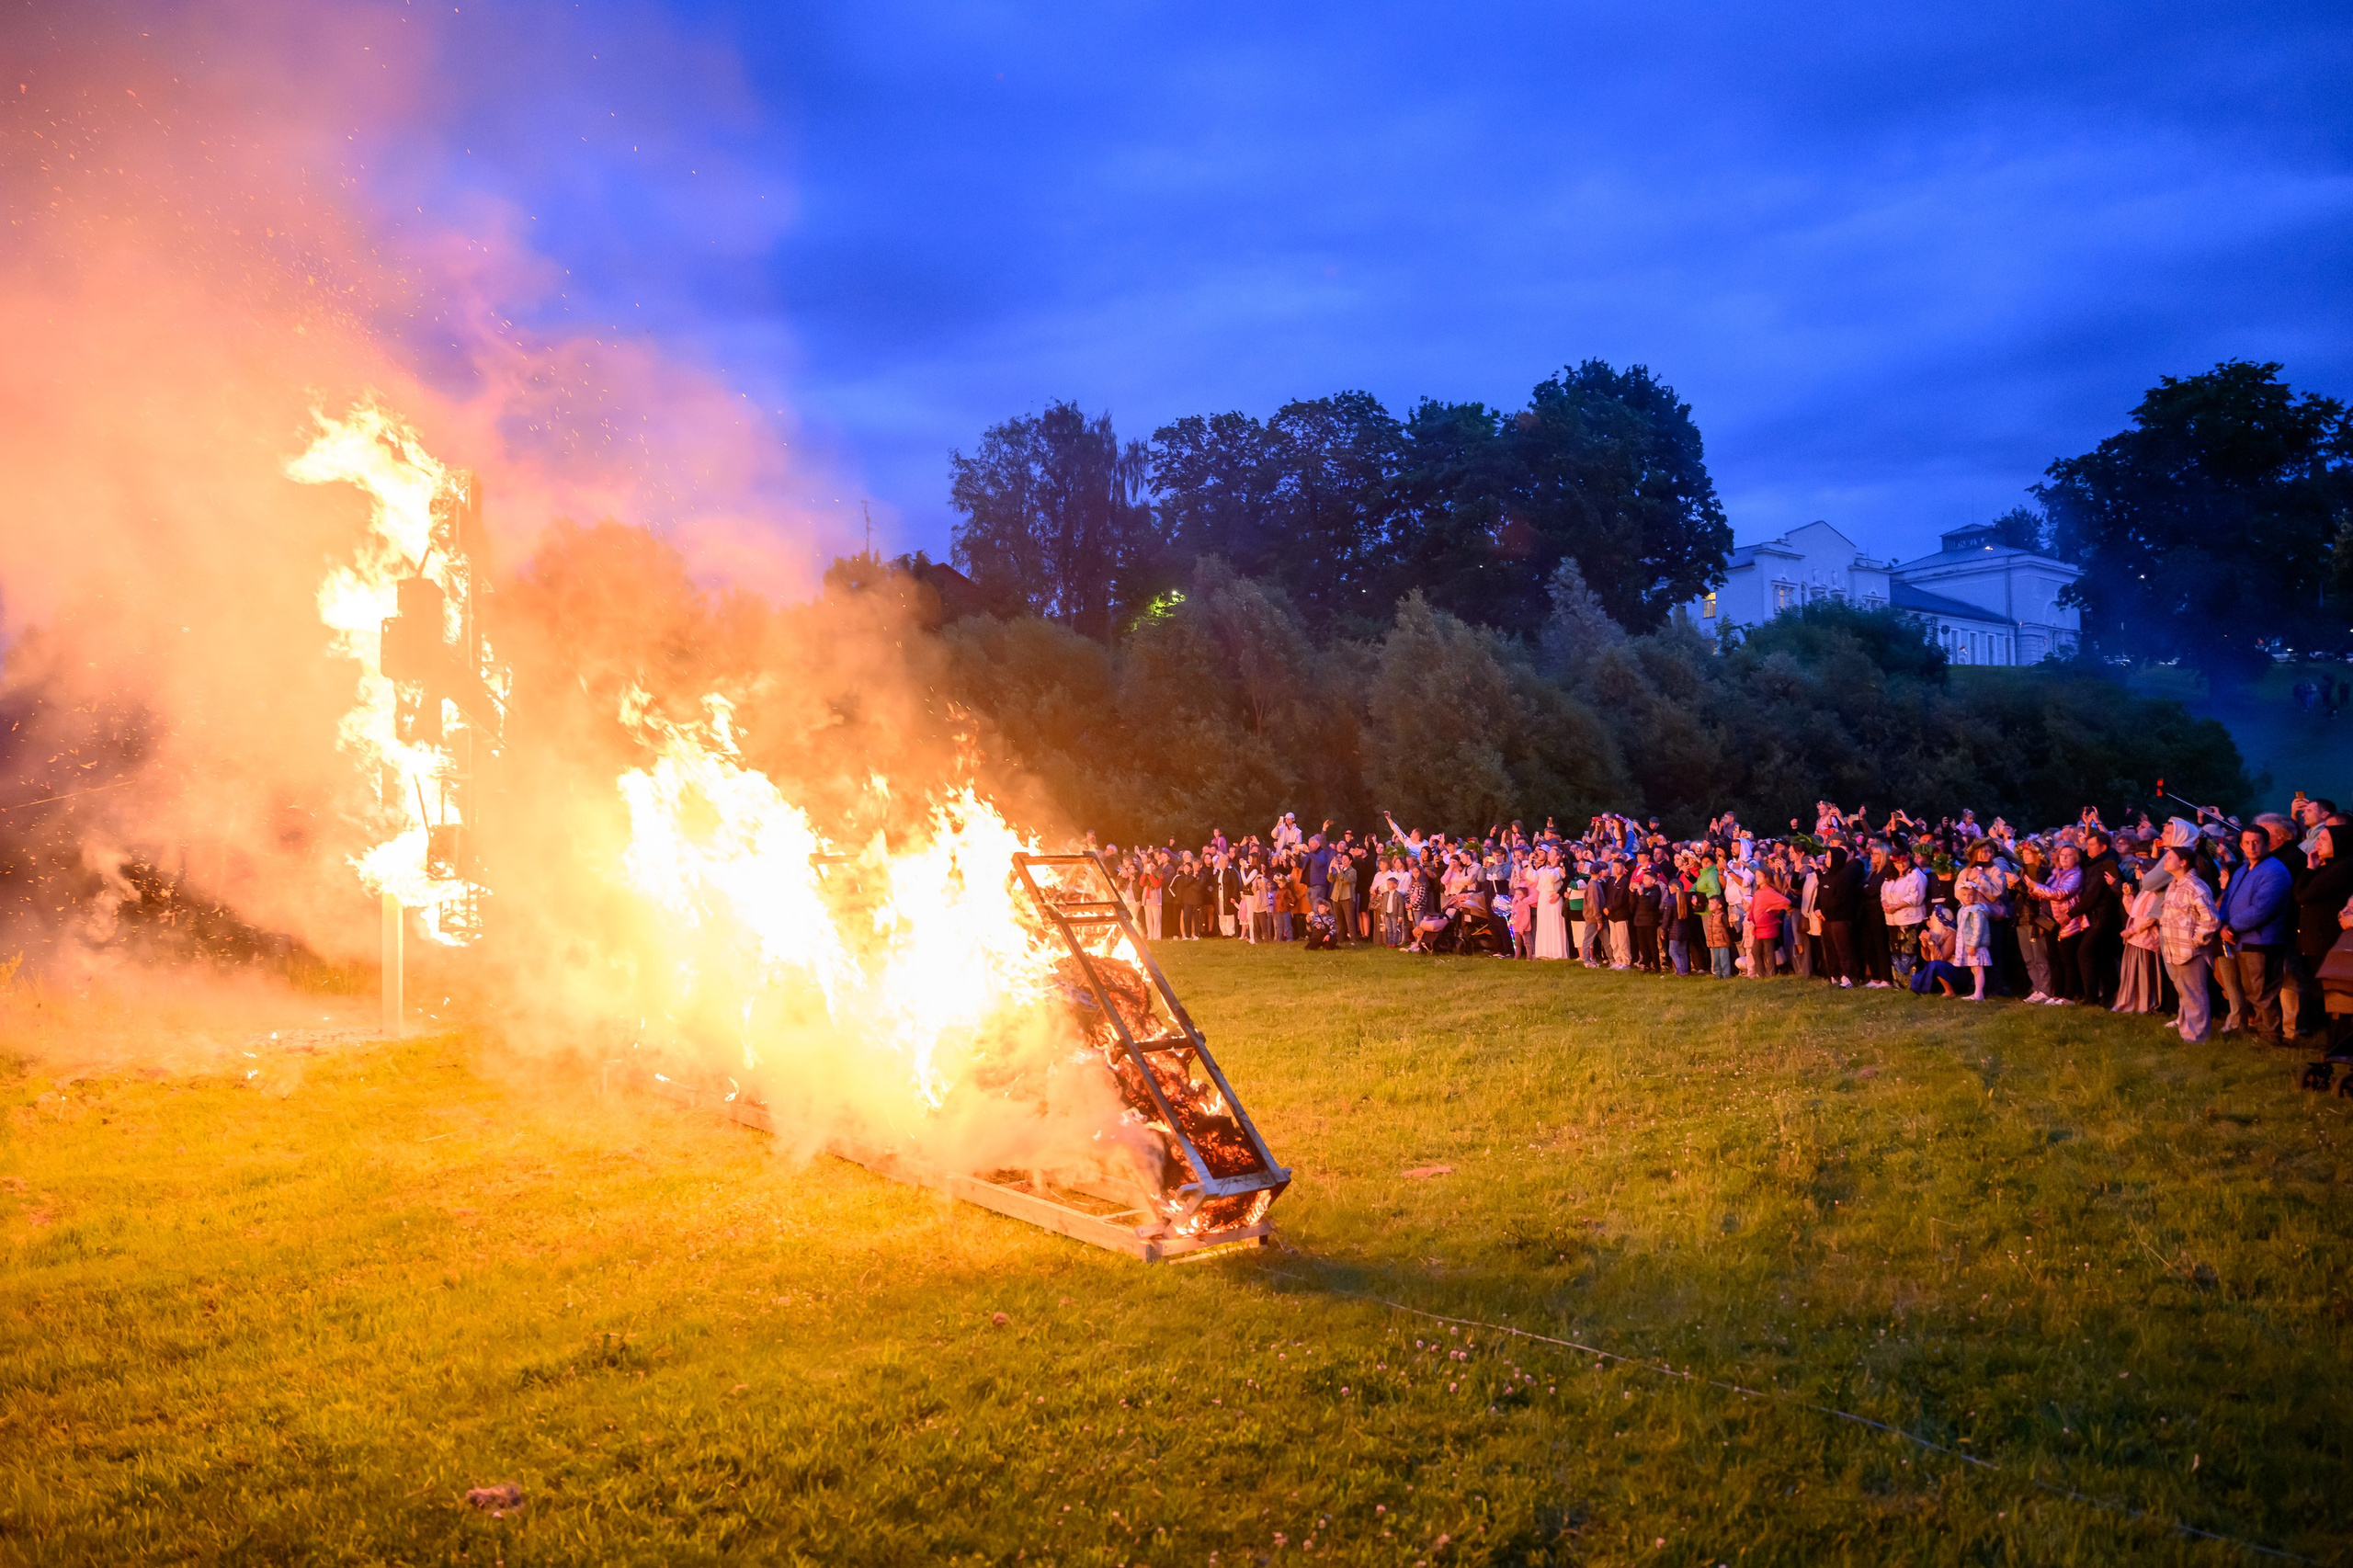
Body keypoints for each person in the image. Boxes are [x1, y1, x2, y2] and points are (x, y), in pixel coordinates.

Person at [2219, 823, 2294, 1043]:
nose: (2252, 847)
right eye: (2247, 842)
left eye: (2256, 842)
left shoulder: (2275, 870)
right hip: (2240, 940)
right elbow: (2229, 899)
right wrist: (2222, 923)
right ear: (2241, 845)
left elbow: (2263, 908)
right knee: (2251, 991)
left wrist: (2232, 926)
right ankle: (2262, 1032)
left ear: (2267, 844)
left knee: (2263, 992)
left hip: (2262, 940)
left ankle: (2270, 1035)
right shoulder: (2243, 869)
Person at [2156, 840, 2222, 1042]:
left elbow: (2211, 919)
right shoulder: (2174, 886)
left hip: (2190, 952)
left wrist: (2195, 942)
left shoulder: (2195, 887)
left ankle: (2197, 1037)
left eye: (2169, 858)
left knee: (2195, 994)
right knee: (2184, 993)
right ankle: (2187, 1031)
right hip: (2174, 950)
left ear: (2183, 862)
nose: (2164, 861)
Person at [1955, 885, 1993, 1000]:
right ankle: (1978, 993)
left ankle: (1978, 993)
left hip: (1976, 945)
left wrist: (1973, 945)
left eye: (1970, 895)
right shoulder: (1963, 909)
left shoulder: (1976, 910)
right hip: (1967, 943)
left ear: (1975, 896)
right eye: (1965, 895)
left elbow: (1978, 929)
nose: (1967, 898)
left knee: (1978, 968)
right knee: (1973, 968)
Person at [1532, 847, 1569, 960]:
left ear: (1558, 857)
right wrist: (1529, 864)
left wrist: (1559, 894)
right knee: (1543, 924)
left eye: (1552, 853)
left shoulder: (1558, 869)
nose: (1549, 855)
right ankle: (1543, 952)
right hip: (1543, 897)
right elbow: (1532, 877)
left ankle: (1556, 952)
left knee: (1554, 923)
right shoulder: (1544, 869)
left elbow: (1552, 878)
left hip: (1554, 897)